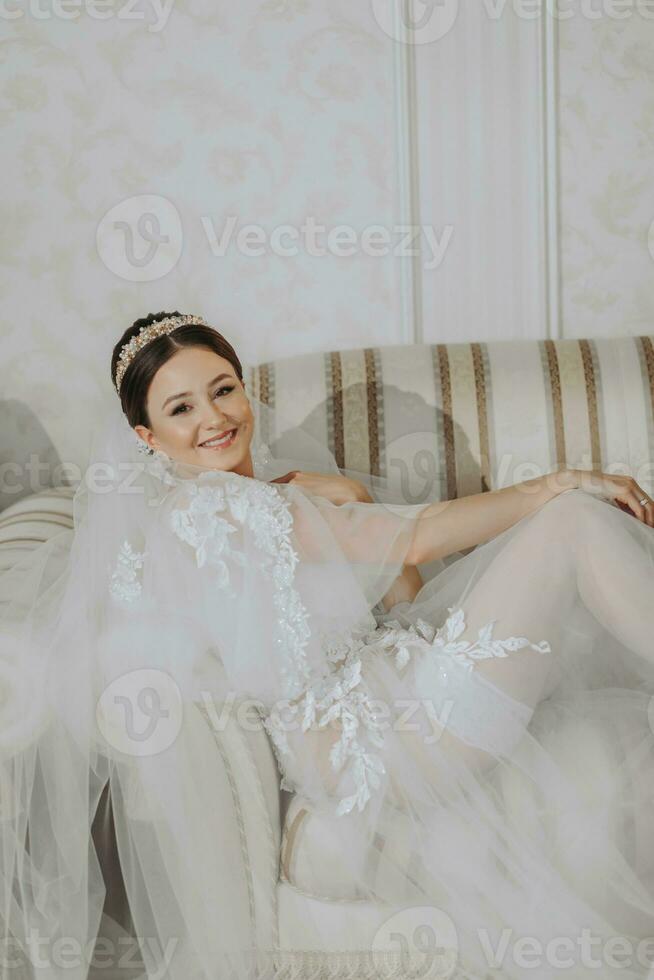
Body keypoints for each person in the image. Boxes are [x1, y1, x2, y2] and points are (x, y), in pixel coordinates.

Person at [1, 310, 653, 980]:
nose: (214, 418)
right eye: (181, 408)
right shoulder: (217, 510)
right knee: (572, 521)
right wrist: (558, 481)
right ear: (147, 436)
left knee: (573, 563)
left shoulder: (270, 496)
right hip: (389, 741)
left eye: (223, 389)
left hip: (398, 692)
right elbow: (422, 537)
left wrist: (350, 501)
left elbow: (403, 598)